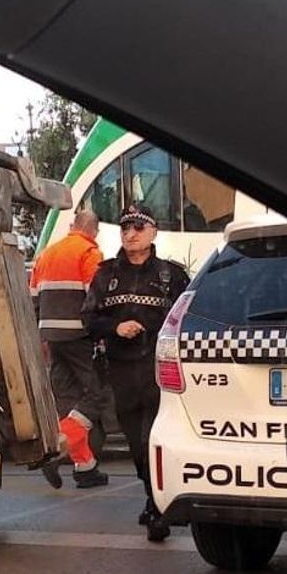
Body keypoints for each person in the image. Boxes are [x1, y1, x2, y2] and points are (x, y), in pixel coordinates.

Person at [85, 204, 189, 541]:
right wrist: (116, 327)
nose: (130, 234)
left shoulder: (172, 276)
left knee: (155, 440)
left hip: (159, 372)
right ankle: (152, 496)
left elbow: (188, 320)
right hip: (122, 370)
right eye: (125, 228)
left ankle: (158, 506)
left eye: (138, 228)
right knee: (135, 443)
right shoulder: (105, 276)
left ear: (153, 232)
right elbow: (88, 321)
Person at [29, 209, 108, 488]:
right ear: (94, 231)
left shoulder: (47, 254)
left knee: (68, 399)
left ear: (73, 225)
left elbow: (34, 299)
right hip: (78, 335)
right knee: (95, 396)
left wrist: (43, 337)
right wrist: (102, 333)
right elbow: (95, 299)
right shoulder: (89, 253)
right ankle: (54, 449)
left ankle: (85, 468)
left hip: (51, 336)